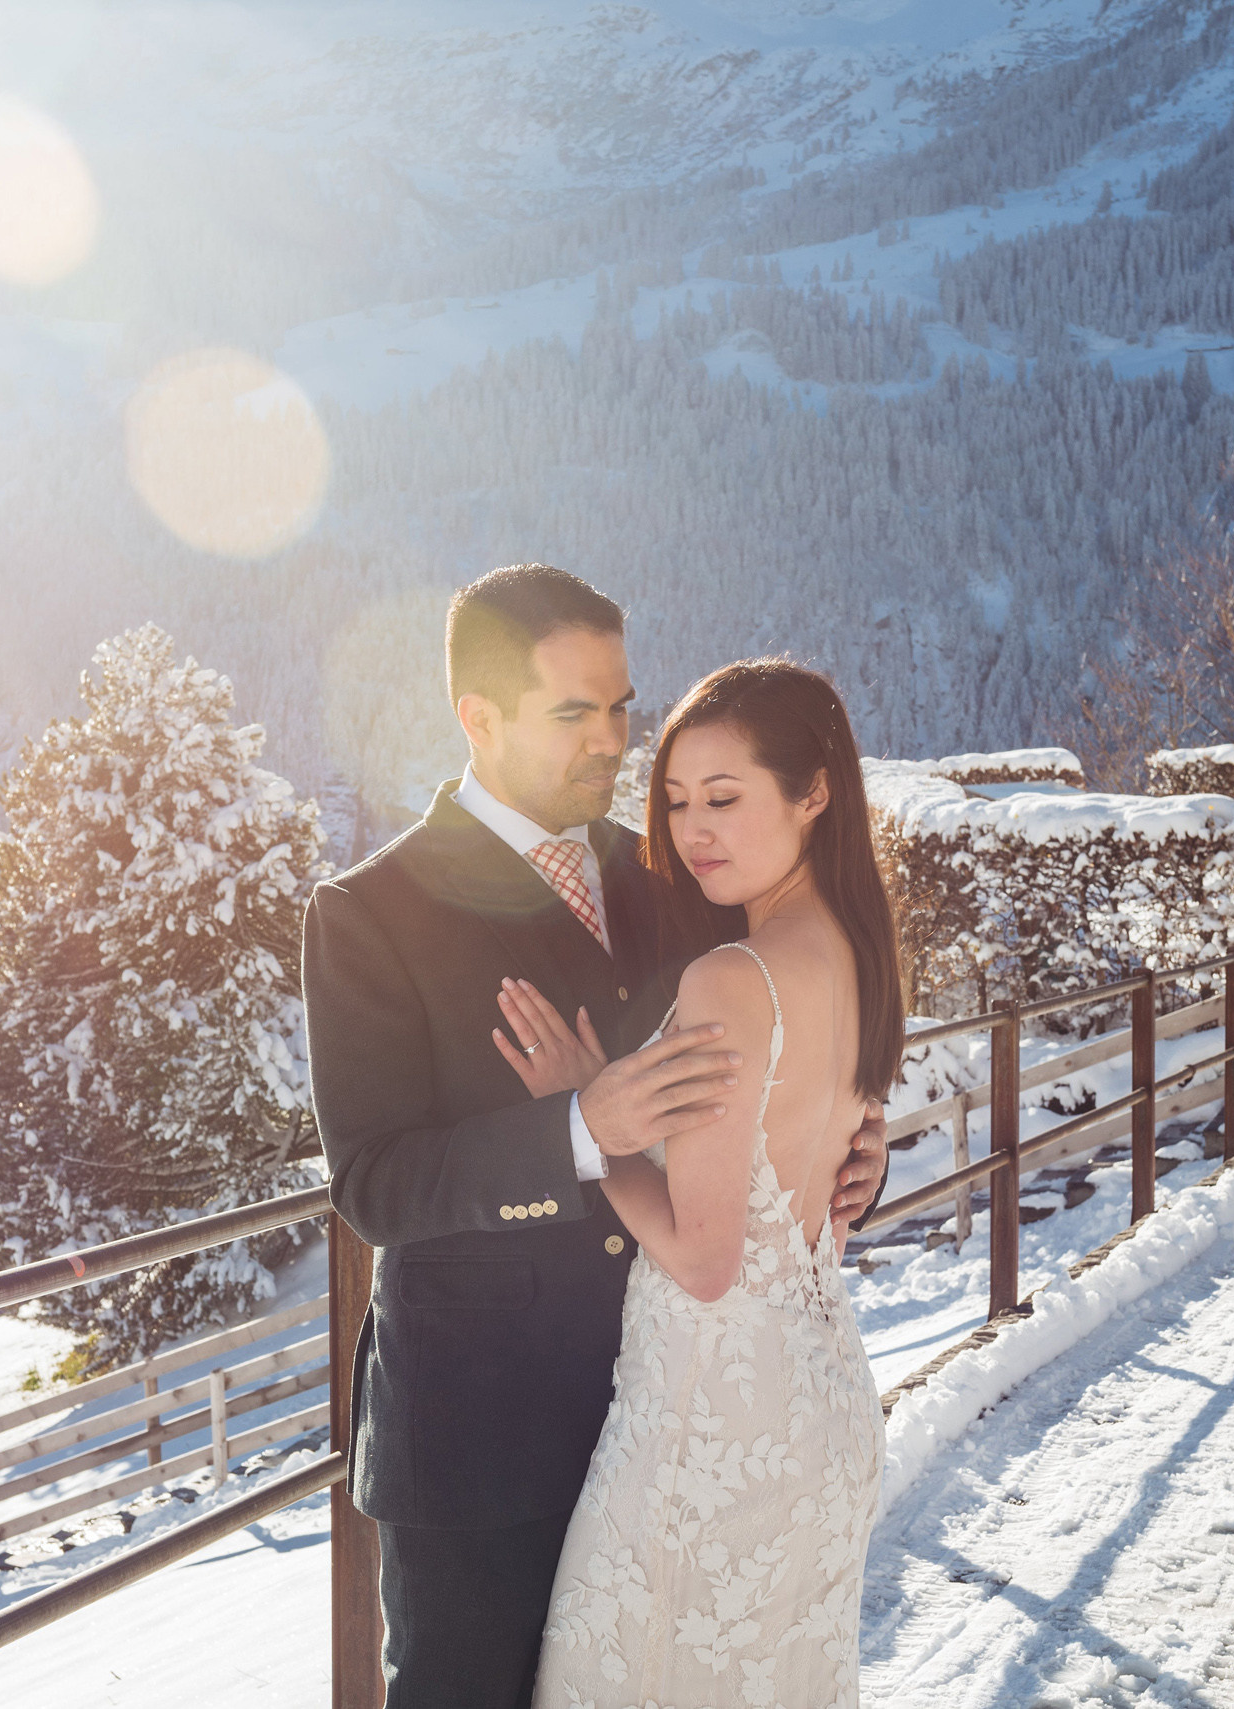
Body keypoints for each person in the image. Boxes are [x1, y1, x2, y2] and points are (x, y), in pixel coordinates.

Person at [302, 566, 889, 1709]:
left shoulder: (672, 870)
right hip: (483, 1450)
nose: (615, 740)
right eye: (576, 712)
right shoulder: (370, 913)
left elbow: (781, 1032)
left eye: (622, 705)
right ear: (478, 716)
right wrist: (581, 1126)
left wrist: (846, 1151)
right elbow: (374, 1184)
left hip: (678, 1423)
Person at [523, 658, 897, 1709]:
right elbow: (826, 1139)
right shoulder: (863, 952)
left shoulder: (731, 979)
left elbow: (702, 1254)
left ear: (813, 790)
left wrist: (589, 1115)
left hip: (712, 1428)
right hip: (820, 1408)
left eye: (725, 799)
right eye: (678, 800)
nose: (694, 832)